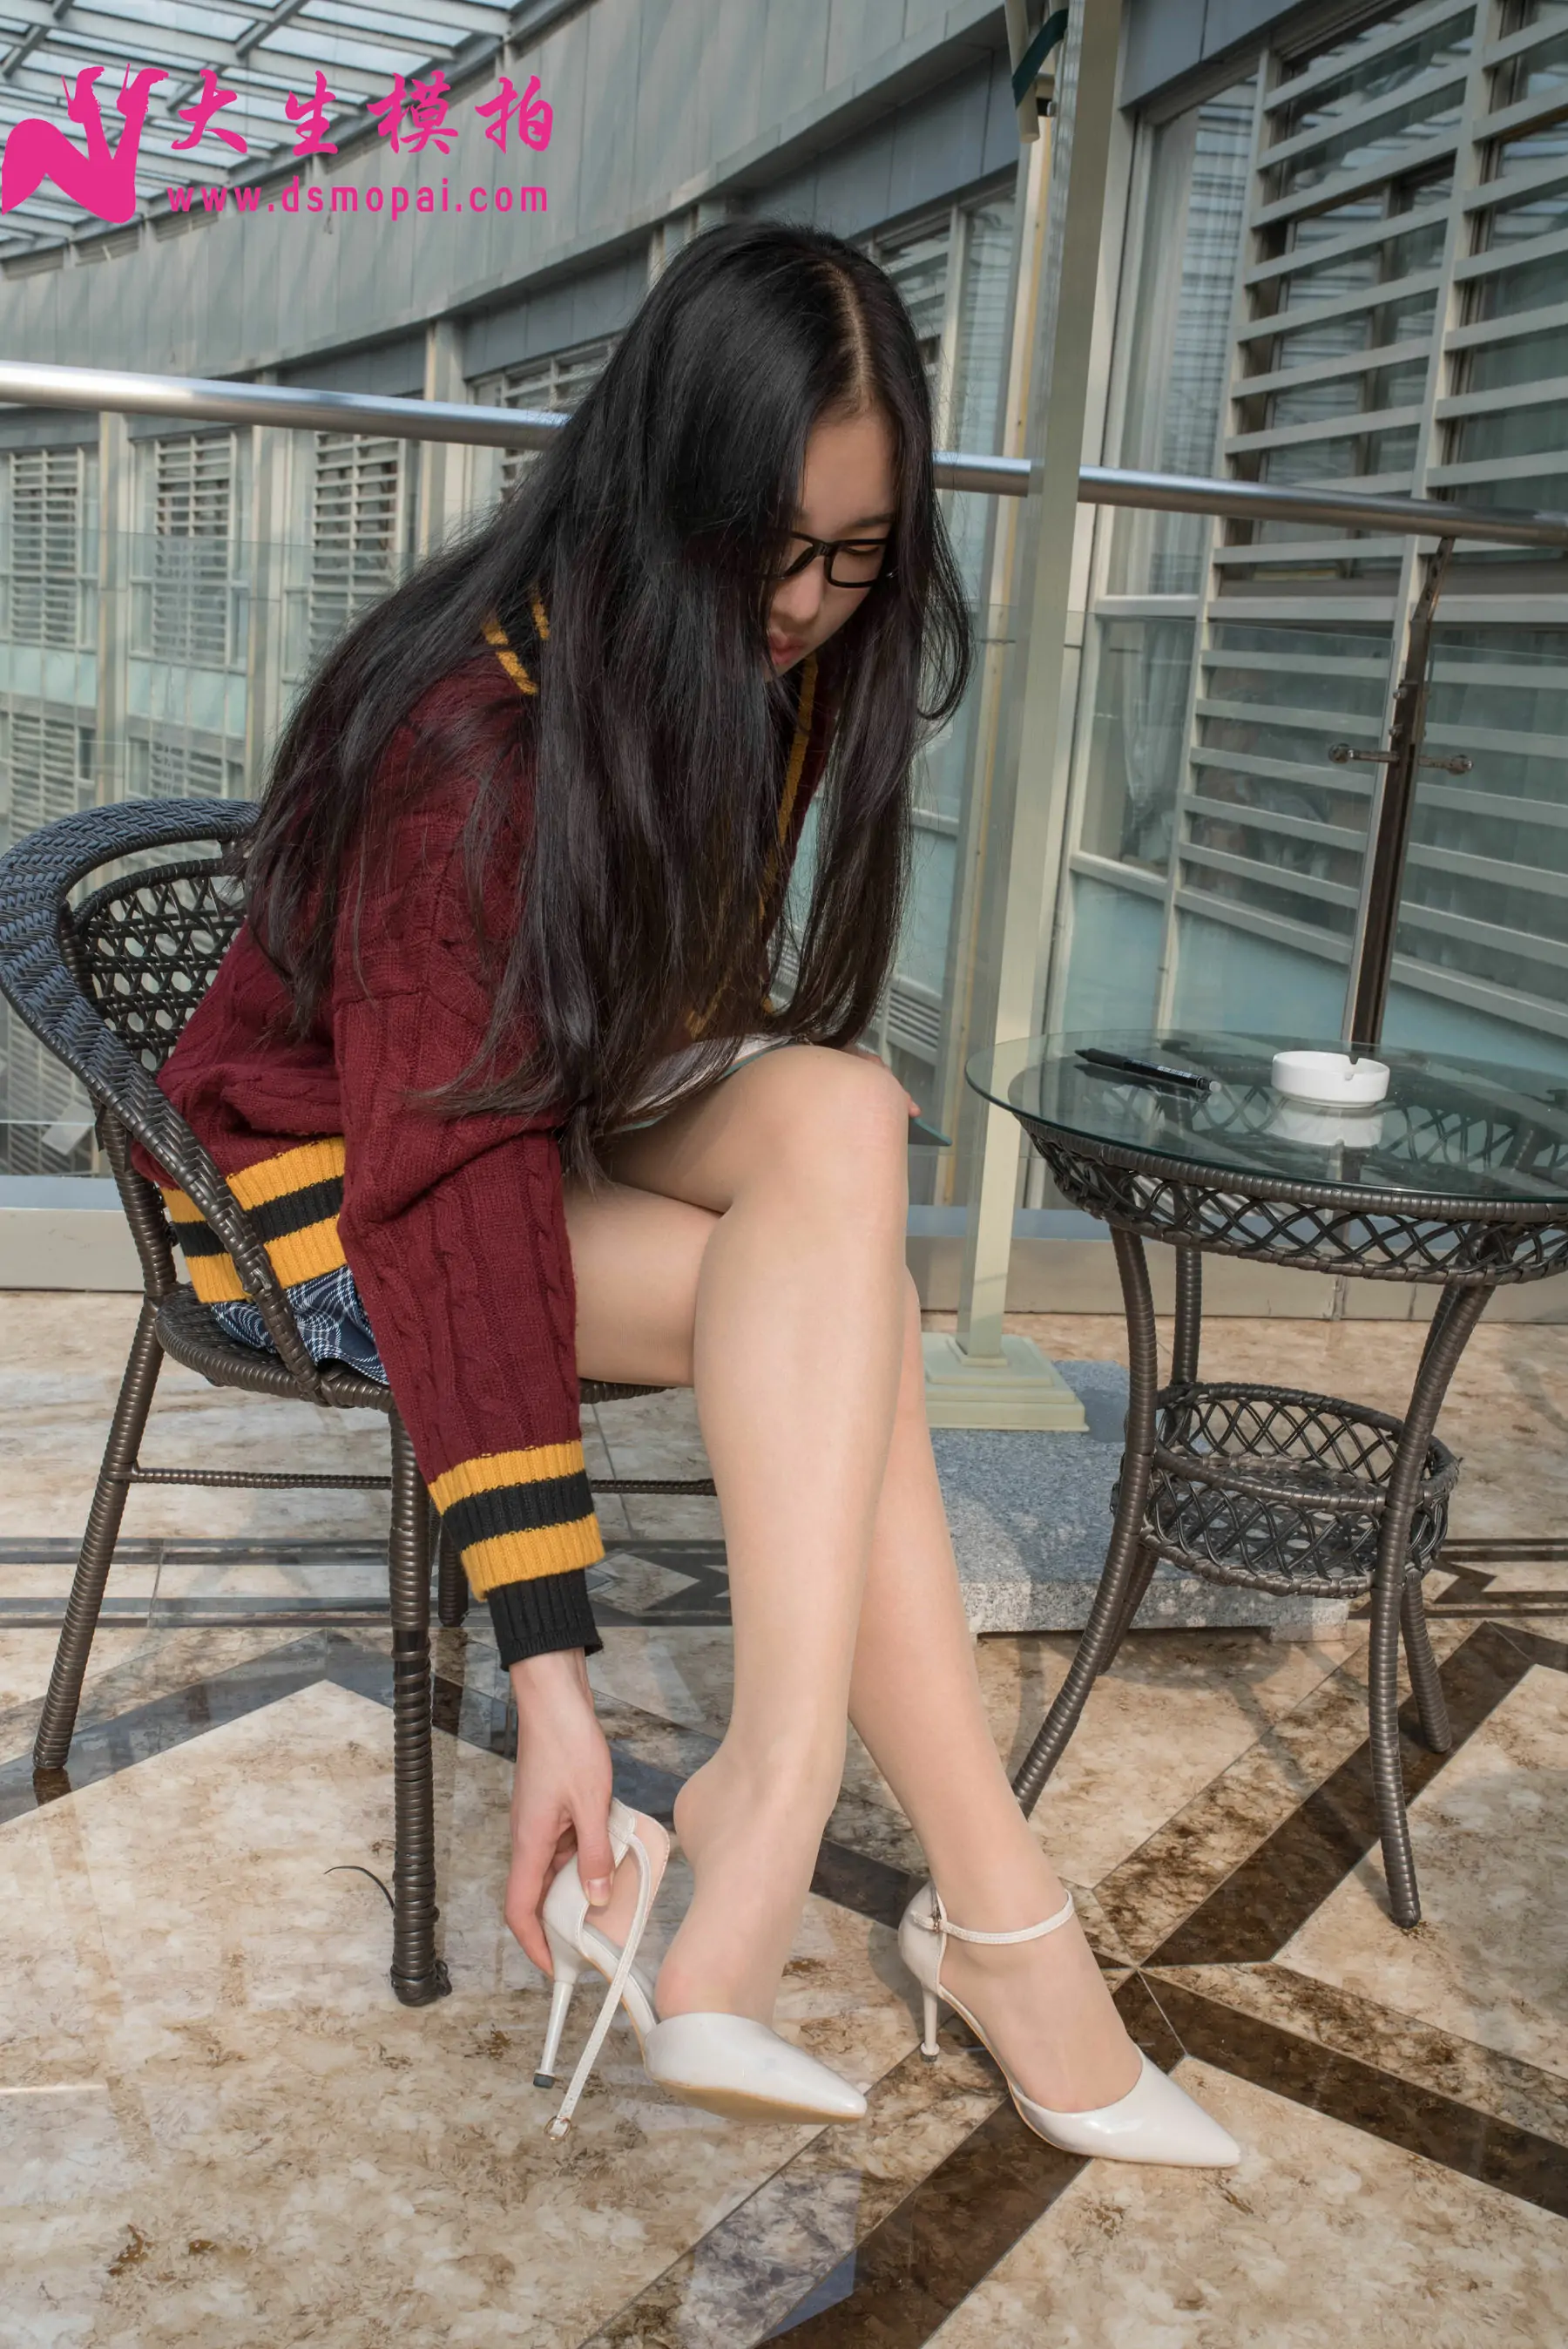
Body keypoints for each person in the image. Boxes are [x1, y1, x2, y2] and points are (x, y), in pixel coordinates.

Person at [148, 221, 1237, 2165]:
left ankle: (795, 1806)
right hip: (341, 1188)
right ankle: (982, 1913)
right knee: (852, 1313)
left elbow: (647, 1007)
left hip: (553, 1090)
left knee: (842, 1119)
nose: (810, 604)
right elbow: (446, 1184)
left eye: (858, 553)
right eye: (773, 550)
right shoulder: (463, 735)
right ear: (665, 492)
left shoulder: (738, 654)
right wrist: (553, 1674)